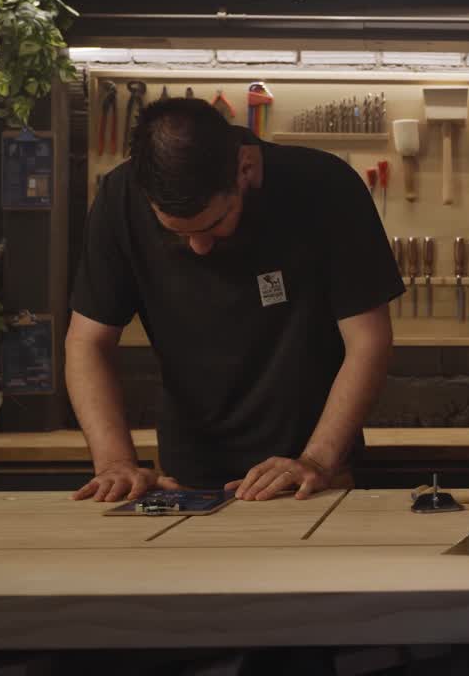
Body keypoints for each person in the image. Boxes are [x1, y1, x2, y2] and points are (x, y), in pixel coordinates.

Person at [67, 98, 402, 503]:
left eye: (213, 224)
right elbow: (87, 342)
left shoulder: (325, 187)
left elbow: (369, 340)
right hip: (187, 476)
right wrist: (114, 463)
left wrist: (317, 460)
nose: (199, 247)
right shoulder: (119, 197)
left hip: (311, 481)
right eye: (177, 233)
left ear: (246, 167)